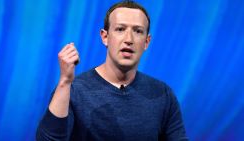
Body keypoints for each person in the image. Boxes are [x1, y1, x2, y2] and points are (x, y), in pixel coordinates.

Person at [36, 0, 188, 140]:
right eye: (120, 29)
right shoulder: (74, 90)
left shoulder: (162, 94)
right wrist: (64, 82)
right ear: (105, 37)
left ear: (146, 42)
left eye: (138, 31)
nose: (129, 39)